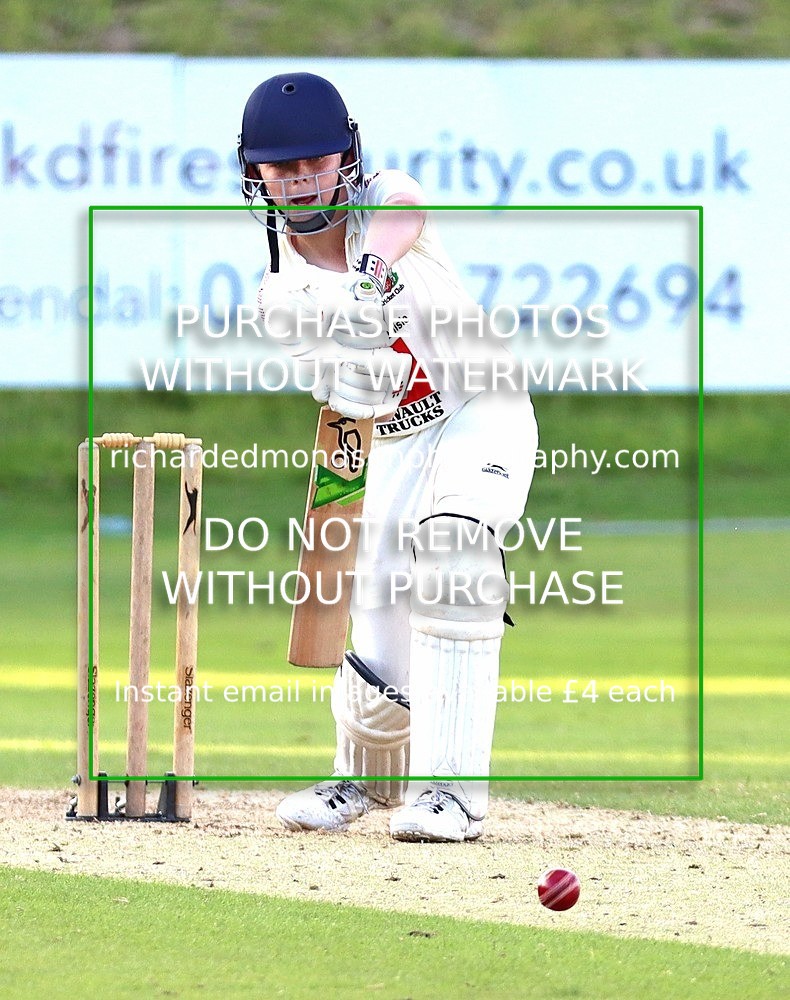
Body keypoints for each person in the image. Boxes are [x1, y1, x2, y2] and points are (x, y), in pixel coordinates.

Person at [239, 72, 538, 842]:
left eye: (318, 159)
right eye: (283, 166)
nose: (303, 177)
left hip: (481, 409)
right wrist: (356, 364)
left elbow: (400, 214)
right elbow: (345, 403)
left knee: (452, 552)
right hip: (394, 440)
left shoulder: (384, 198)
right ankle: (365, 785)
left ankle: (453, 796)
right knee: (378, 613)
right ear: (256, 176)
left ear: (348, 156)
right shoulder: (278, 294)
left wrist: (369, 280)